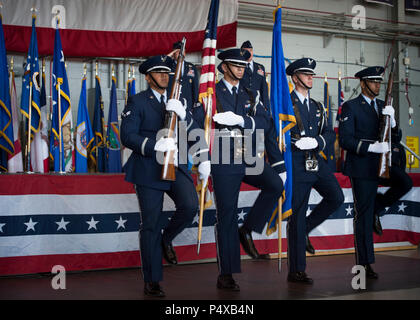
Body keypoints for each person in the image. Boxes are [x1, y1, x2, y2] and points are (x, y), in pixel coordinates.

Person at [193, 48, 286, 291]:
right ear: (223, 67)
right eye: (235, 65)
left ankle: (248, 229)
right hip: (222, 158)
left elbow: (266, 123)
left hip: (247, 154)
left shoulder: (250, 92)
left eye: (243, 65)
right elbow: (194, 126)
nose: (241, 69)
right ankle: (226, 274)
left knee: (275, 185)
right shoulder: (211, 93)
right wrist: (201, 157)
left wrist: (242, 120)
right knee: (227, 215)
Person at [120, 55, 210, 297]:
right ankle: (152, 280)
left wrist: (202, 156)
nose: (164, 76)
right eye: (158, 73)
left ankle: (166, 239)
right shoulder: (138, 101)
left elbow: (195, 129)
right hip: (148, 167)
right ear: (148, 77)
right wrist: (153, 145)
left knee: (190, 206)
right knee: (150, 224)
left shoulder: (177, 100)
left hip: (176, 164)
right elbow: (127, 136)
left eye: (167, 73)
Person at [286, 58, 344, 284]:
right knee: (297, 214)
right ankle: (296, 270)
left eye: (312, 74)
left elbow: (330, 133)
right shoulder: (286, 104)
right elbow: (276, 134)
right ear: (295, 77)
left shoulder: (318, 106)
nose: (311, 77)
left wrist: (318, 141)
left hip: (315, 161)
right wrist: (295, 143)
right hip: (297, 163)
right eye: (305, 73)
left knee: (336, 197)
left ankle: (305, 229)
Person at [339, 66, 397, 279]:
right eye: (373, 82)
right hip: (363, 166)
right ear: (363, 83)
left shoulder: (383, 106)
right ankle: (364, 263)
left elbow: (395, 137)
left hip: (383, 165)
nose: (377, 85)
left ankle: (376, 208)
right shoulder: (351, 107)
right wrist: (371, 147)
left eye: (379, 82)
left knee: (406, 183)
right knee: (362, 217)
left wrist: (394, 122)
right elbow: (345, 140)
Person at [373, 128, 413, 235]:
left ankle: (378, 204)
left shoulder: (399, 147)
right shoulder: (380, 139)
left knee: (407, 183)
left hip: (393, 173)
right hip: (378, 168)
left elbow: (403, 165)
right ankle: (377, 204)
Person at [168, 40, 199, 109]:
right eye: (177, 51)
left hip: (188, 104)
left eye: (182, 51)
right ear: (173, 53)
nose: (180, 53)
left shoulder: (191, 67)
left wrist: (196, 103)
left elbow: (195, 87)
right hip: (171, 103)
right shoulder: (167, 66)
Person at [240, 40, 270, 109]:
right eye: (246, 51)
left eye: (250, 50)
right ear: (242, 53)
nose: (249, 53)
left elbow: (264, 89)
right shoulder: (238, 67)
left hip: (257, 105)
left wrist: (266, 107)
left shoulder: (260, 67)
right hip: (242, 104)